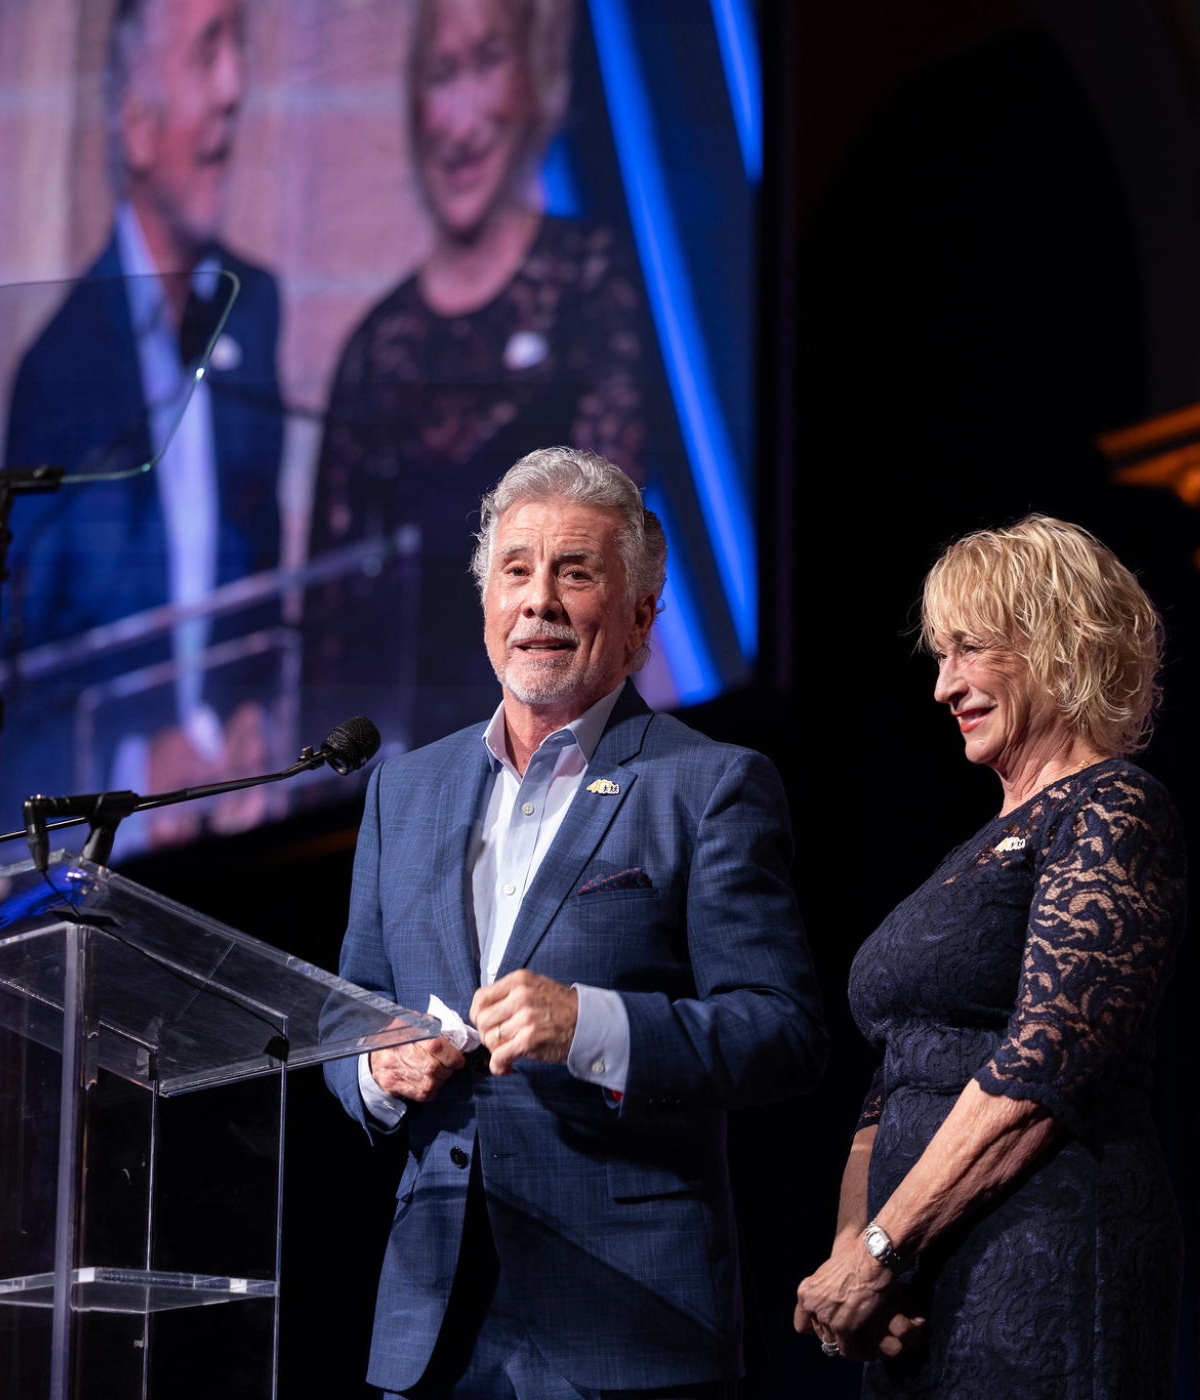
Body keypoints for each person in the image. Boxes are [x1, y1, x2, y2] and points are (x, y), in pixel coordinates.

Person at [324, 446, 827, 1398]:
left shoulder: (708, 785)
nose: (539, 601)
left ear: (639, 621)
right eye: (515, 571)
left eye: (576, 573)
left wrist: (590, 1024)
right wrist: (374, 1067)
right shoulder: (404, 789)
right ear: (485, 607)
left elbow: (783, 1031)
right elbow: (344, 1009)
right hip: (433, 1317)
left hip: (629, 1319)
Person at [794, 515, 1186, 1398]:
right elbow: (892, 1076)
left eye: (967, 650)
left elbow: (1049, 1057)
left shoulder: (1113, 808)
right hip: (912, 1285)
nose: (943, 687)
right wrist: (852, 1255)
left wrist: (883, 1245)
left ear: (1058, 643)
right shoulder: (977, 846)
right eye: (939, 657)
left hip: (1041, 1256)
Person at [308, 0, 665, 750]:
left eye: (488, 61)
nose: (461, 116)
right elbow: (328, 639)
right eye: (441, 74)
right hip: (409, 775)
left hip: (573, 745)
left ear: (537, 81)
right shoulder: (375, 348)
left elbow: (614, 555)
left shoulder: (592, 284)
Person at [1, 0, 283, 841]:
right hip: (113, 864)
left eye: (239, 48)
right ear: (133, 125)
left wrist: (254, 722)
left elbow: (262, 586)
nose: (235, 87)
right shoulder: (57, 376)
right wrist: (133, 773)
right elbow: (23, 696)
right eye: (207, 54)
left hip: (242, 840)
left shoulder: (254, 308)